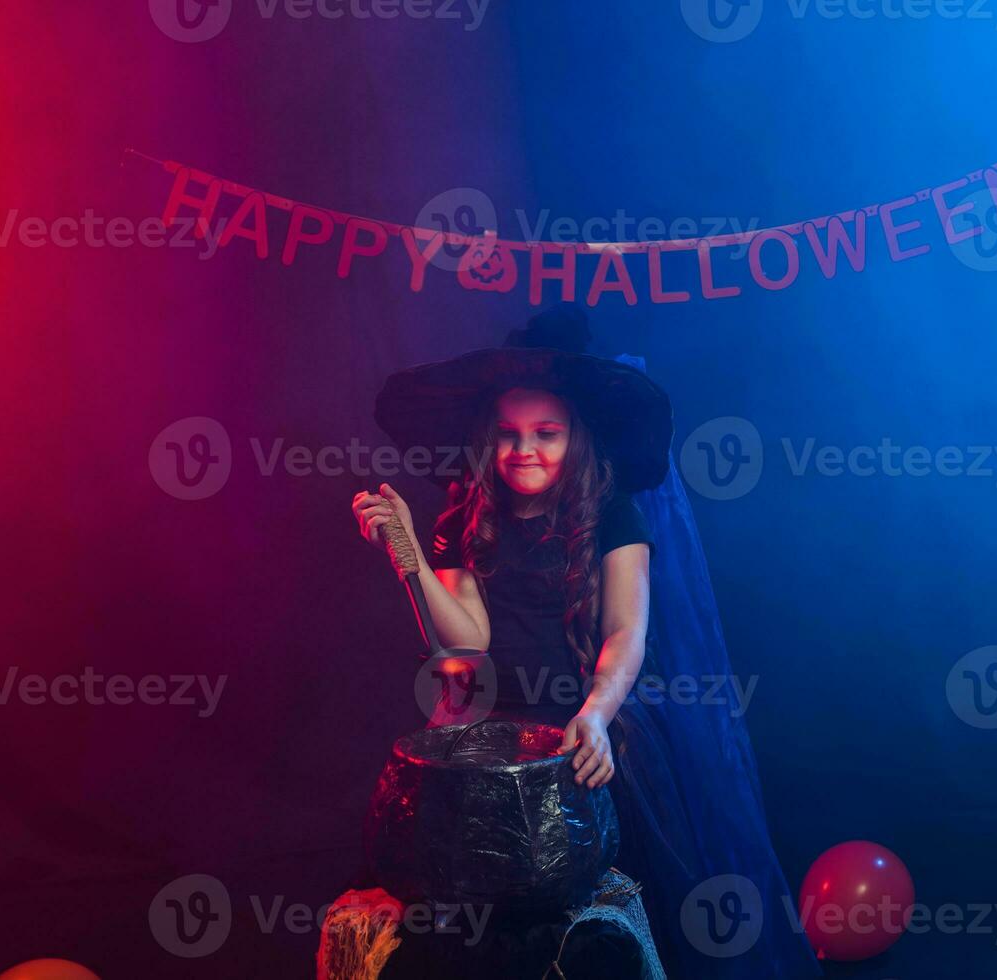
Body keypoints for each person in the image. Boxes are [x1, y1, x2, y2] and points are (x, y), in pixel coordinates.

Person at [351, 305, 820, 979]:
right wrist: (410, 560)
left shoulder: (613, 514)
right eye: (509, 434)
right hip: (490, 729)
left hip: (585, 723)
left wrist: (596, 714)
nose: (525, 449)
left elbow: (627, 630)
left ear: (577, 436)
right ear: (488, 437)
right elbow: (467, 642)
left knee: (593, 921)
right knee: (478, 919)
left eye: (546, 432)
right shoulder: (463, 515)